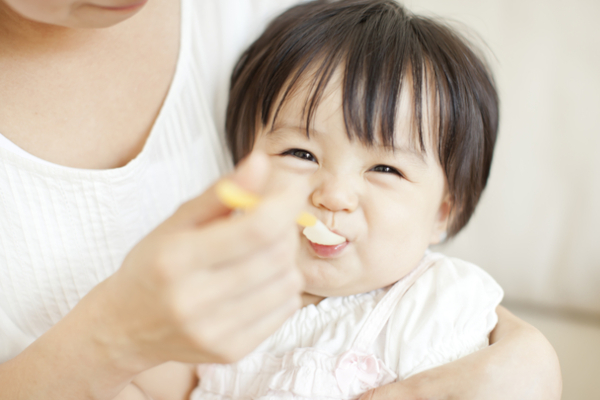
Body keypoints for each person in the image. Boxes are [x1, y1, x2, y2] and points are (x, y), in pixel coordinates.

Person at [0, 0, 561, 399]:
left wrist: (532, 365)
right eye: (300, 153)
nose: (333, 193)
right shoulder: (226, 310)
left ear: (444, 212)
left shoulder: (435, 306)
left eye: (386, 168)